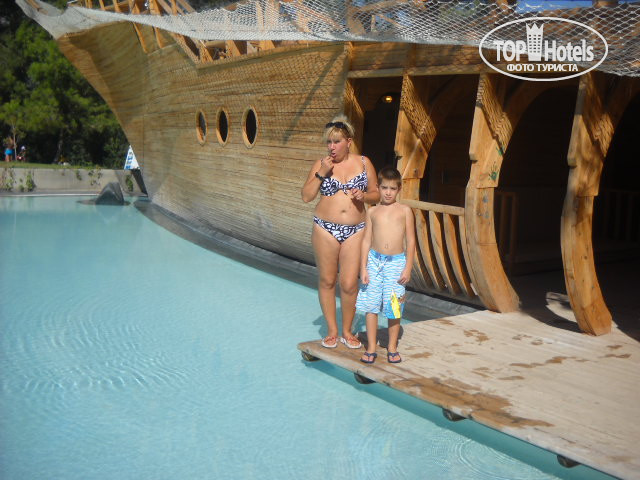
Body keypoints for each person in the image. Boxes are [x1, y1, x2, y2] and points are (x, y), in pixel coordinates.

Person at [301, 115, 380, 349]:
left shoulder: (364, 163)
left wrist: (364, 196)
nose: (331, 147)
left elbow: (376, 194)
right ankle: (332, 331)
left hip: (356, 230)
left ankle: (347, 330)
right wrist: (321, 173)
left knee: (349, 283)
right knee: (327, 280)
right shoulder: (321, 164)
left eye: (336, 142)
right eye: (329, 142)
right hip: (325, 229)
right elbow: (306, 197)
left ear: (349, 142)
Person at [356, 166, 415, 364]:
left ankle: (392, 347)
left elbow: (411, 241)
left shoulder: (405, 211)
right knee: (371, 304)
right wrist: (363, 267)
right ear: (378, 188)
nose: (388, 192)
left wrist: (408, 267)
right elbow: (366, 240)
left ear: (399, 189)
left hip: (396, 263)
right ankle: (371, 347)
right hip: (374, 261)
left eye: (392, 188)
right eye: (384, 188)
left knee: (394, 305)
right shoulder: (372, 211)